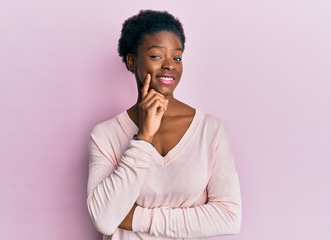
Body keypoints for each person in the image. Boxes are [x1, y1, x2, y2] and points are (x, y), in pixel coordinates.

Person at [87, 10, 242, 240]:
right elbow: (104, 219)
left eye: (177, 57)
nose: (170, 65)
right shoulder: (105, 135)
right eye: (157, 56)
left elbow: (229, 217)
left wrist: (137, 219)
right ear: (132, 61)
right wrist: (143, 137)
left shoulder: (210, 131)